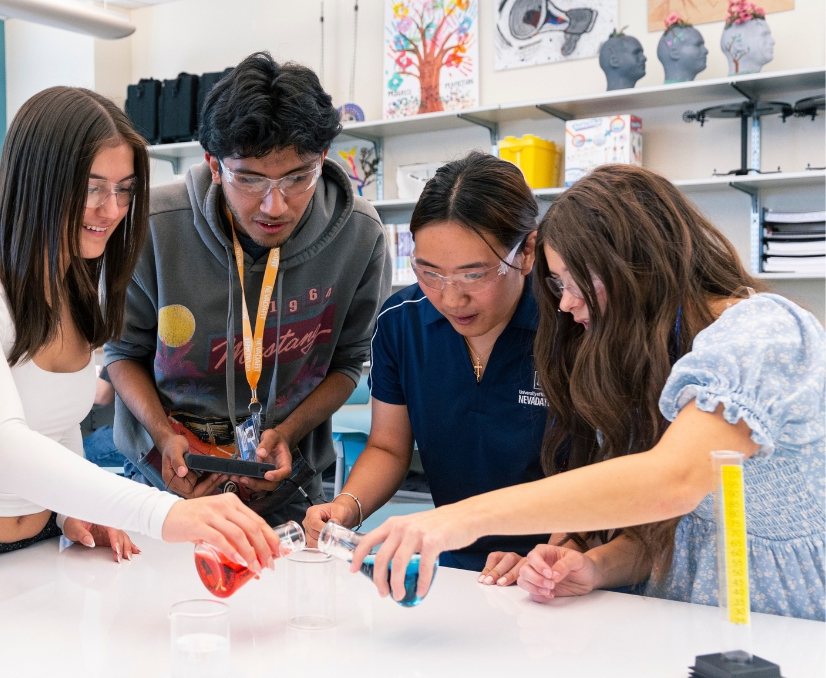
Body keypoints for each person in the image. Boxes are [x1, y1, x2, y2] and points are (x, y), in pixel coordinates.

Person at [348, 164, 825, 622]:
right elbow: (668, 537)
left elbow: (673, 482)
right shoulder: (649, 355)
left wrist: (457, 520)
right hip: (679, 618)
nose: (564, 303)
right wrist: (593, 566)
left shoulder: (763, 332)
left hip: (781, 623)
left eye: (580, 283)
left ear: (644, 264)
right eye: (558, 284)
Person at [0, 86, 280, 570]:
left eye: (124, 190)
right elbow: (4, 449)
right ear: (38, 182)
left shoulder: (76, 288)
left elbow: (55, 429)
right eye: (92, 188)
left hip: (38, 548)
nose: (111, 210)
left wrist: (77, 506)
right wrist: (167, 513)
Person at [105, 52, 391, 525]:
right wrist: (162, 437)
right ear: (214, 166)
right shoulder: (153, 226)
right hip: (164, 488)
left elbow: (346, 363)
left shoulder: (359, 235)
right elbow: (121, 352)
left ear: (322, 160)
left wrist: (289, 432)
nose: (274, 205)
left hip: (286, 496)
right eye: (250, 180)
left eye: (298, 178)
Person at [304, 152, 550, 578]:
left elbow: (609, 471)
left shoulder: (567, 324)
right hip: (452, 563)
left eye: (474, 275)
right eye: (429, 272)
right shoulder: (402, 323)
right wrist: (346, 506)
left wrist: (560, 549)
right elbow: (387, 446)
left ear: (527, 251)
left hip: (560, 565)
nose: (452, 298)